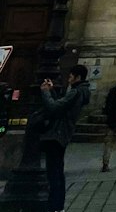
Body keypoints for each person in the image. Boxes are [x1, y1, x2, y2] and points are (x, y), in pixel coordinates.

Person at [38, 64, 91, 212]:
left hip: (57, 134)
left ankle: (54, 206)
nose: (68, 79)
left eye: (70, 76)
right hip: (63, 134)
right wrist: (53, 90)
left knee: (54, 173)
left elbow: (55, 108)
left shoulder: (76, 92)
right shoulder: (80, 92)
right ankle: (58, 206)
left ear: (77, 77)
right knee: (58, 172)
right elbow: (62, 107)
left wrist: (45, 92)